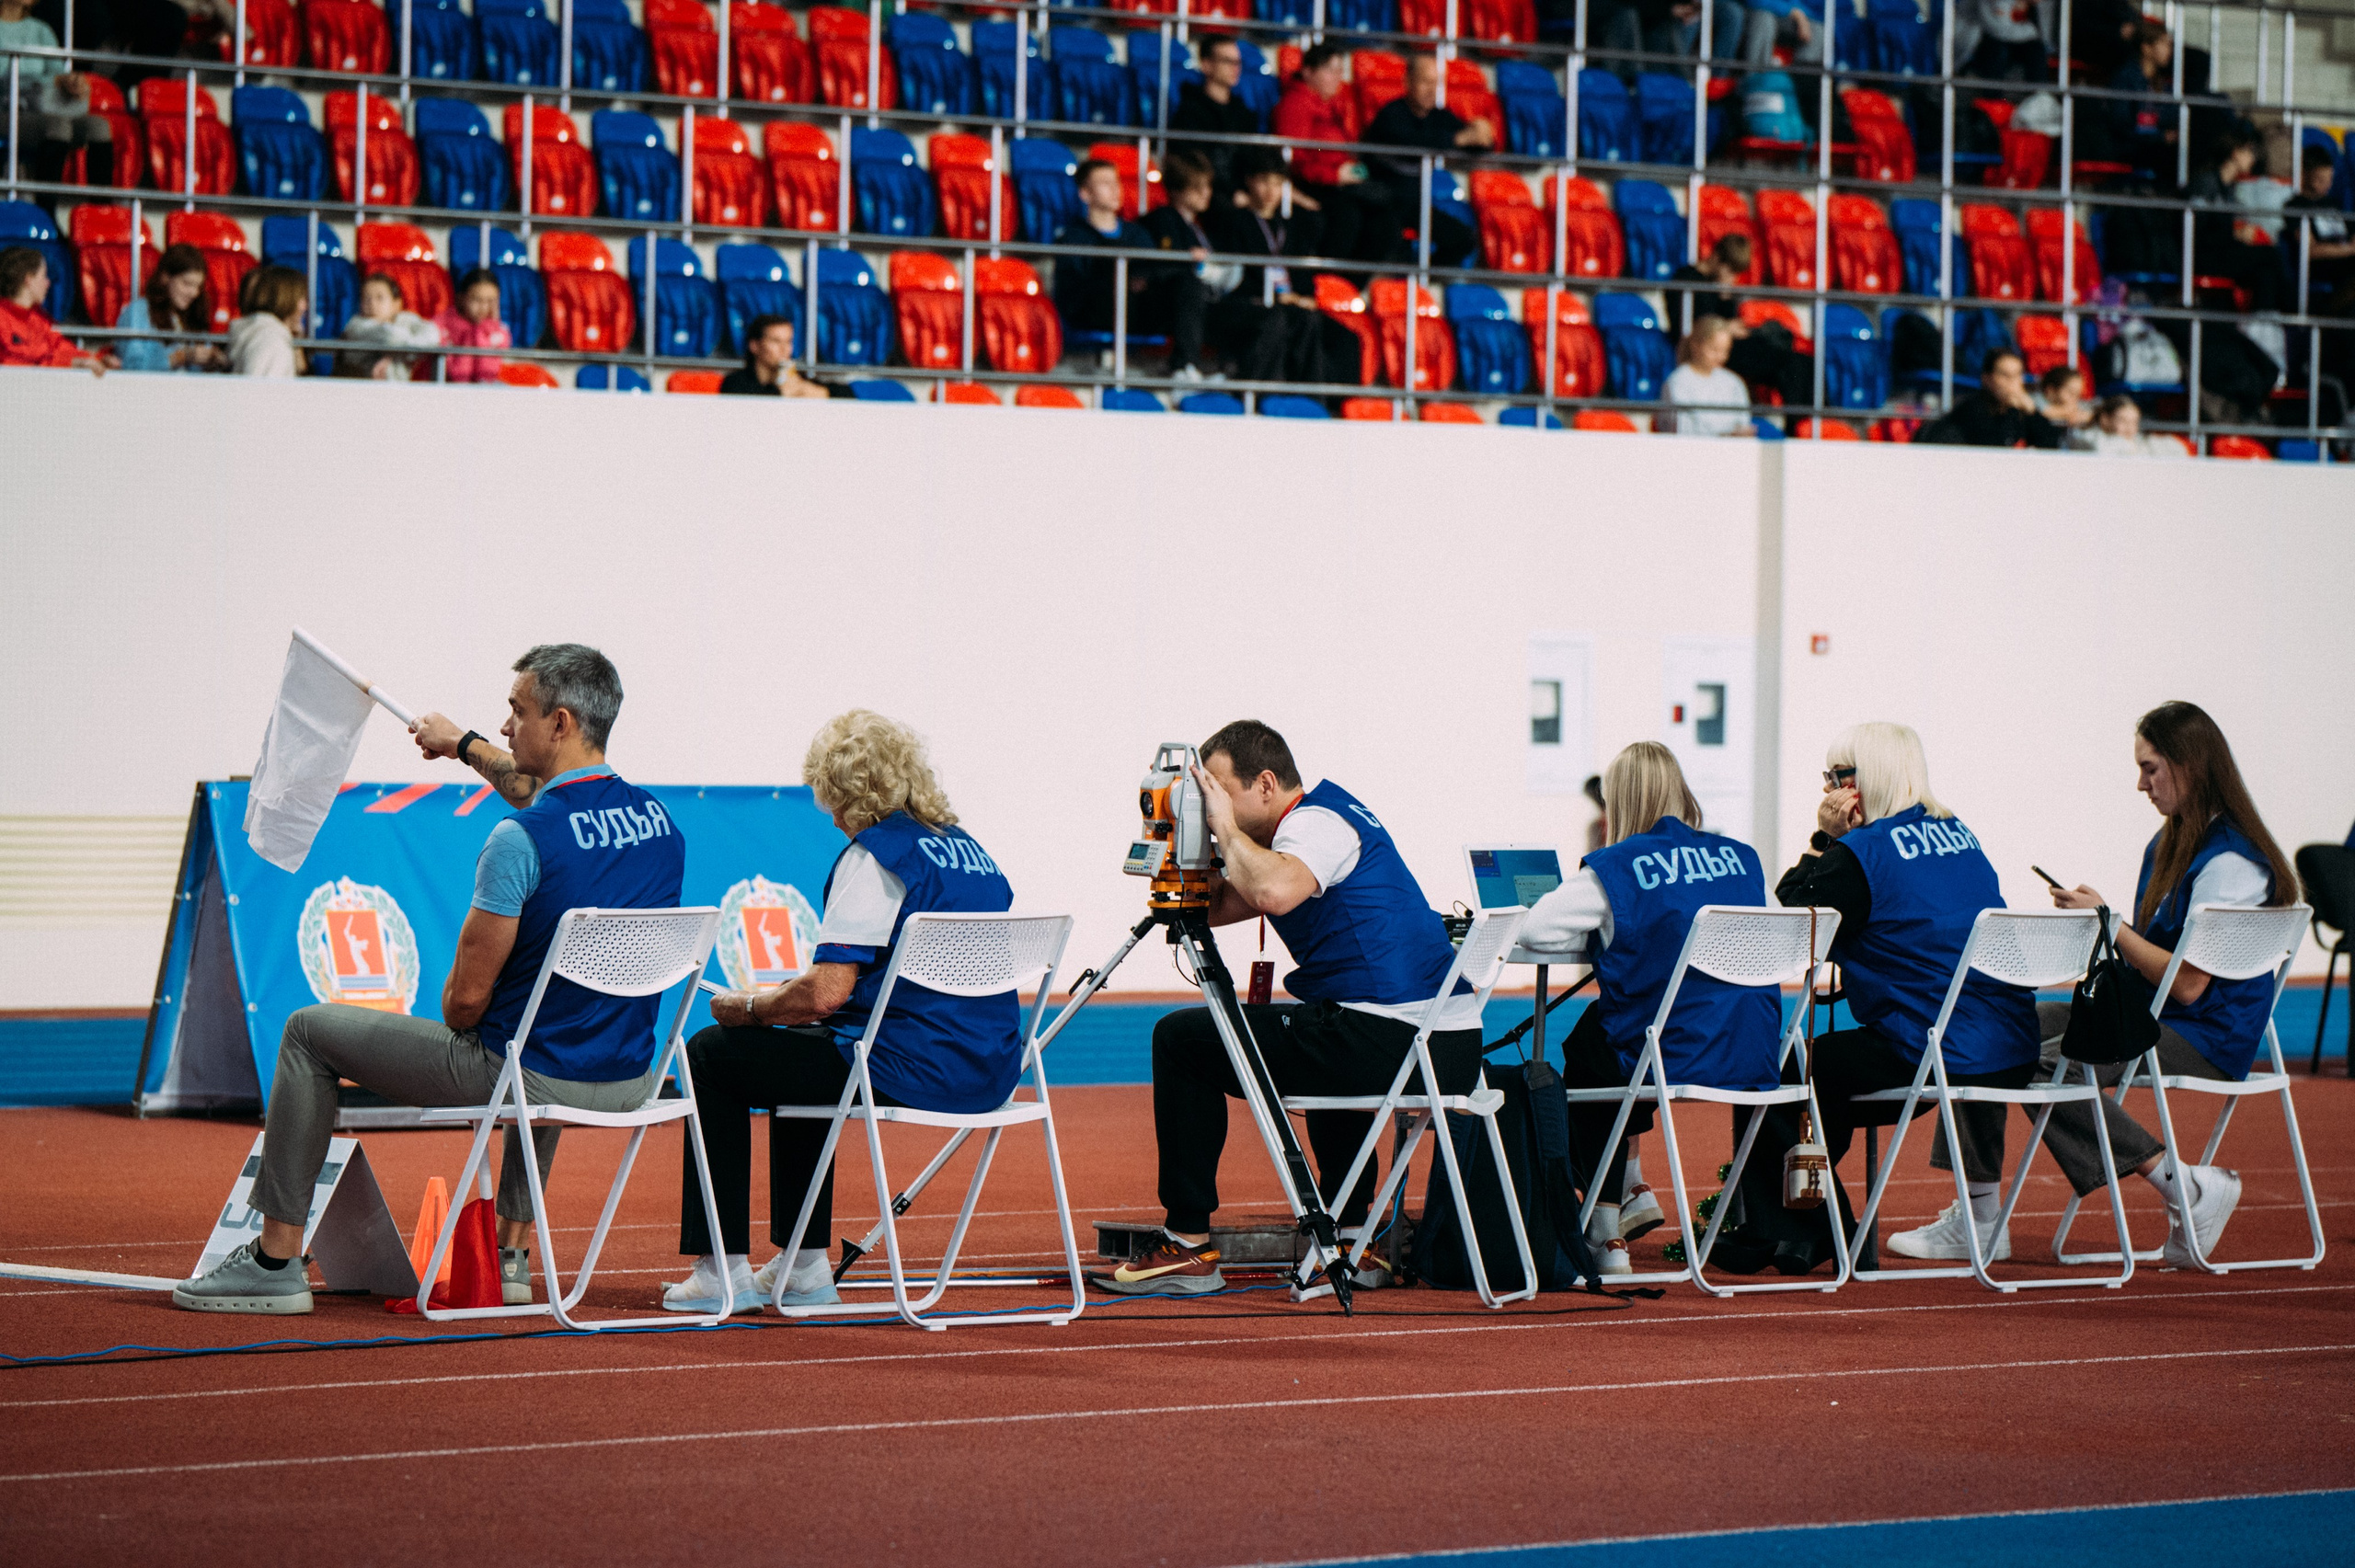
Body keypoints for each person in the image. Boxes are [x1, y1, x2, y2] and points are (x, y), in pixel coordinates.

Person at [173, 646, 684, 1313]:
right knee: (552, 1023)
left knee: (306, 1034)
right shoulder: (663, 828)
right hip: (631, 1079)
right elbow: (542, 793)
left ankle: (274, 1260)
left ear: (559, 723)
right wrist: (461, 744)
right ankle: (510, 1258)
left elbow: (463, 1006)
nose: (505, 726)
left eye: (517, 711)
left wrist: (471, 995)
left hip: (524, 1073)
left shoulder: (518, 841)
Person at [1097, 721, 1481, 1297]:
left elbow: (1271, 893)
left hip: (1397, 1042)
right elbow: (1223, 903)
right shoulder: (1318, 823)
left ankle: (1187, 1243)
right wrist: (1182, 848)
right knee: (1322, 1021)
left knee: (1181, 1040)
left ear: (1265, 784)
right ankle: (1352, 1238)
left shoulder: (1313, 825)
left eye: (1219, 791)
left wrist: (1225, 828)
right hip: (1438, 1044)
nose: (1212, 804)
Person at [671, 711, 1019, 1315]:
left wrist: (750, 1007)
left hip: (909, 1067)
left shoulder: (877, 857)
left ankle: (720, 1267)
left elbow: (827, 993)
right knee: (805, 1044)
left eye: (834, 801)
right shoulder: (972, 852)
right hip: (992, 1070)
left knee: (711, 1054)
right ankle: (803, 1265)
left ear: (855, 794)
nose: (831, 818)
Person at [1729, 723, 2041, 1275]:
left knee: (1779, 1073)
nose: (1827, 788)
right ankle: (1798, 1231)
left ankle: (1811, 1228)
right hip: (2009, 1042)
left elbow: (1798, 916)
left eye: (1837, 777)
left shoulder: (1863, 852)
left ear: (1865, 779)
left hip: (1932, 1048)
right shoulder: (1959, 834)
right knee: (1823, 1078)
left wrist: (1823, 839)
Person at [2035, 702, 2299, 1267]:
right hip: (2157, 1016)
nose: (2141, 784)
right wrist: (2103, 929)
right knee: (2003, 1029)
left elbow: (2187, 985)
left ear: (2190, 764)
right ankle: (1978, 1210)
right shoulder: (2169, 843)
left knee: (2050, 1065)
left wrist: (2110, 924)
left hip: (2207, 1035)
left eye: (2149, 768)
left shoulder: (2232, 862)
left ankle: (2183, 1185)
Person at [1517, 742, 1780, 1276]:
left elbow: (1534, 930)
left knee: (1596, 1046)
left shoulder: (1616, 866)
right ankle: (1632, 1186)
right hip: (1751, 1050)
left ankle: (1605, 1228)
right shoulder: (1742, 858)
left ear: (1620, 800)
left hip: (1670, 1053)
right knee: (1603, 1034)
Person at [1208, 147, 1342, 385]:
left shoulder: (1290, 226)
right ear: (1249, 181)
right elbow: (1232, 276)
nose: (1271, 191)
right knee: (1276, 319)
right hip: (1249, 304)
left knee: (1319, 324)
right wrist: (1272, 296)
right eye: (1264, 182)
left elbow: (1301, 271)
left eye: (1278, 183)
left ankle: (1312, 396)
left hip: (1287, 303)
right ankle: (1260, 392)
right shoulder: (1234, 223)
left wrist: (1304, 296)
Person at [1361, 56, 1491, 266]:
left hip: (1414, 205)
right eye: (1425, 82)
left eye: (1435, 83)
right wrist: (1458, 139)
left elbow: (1474, 141)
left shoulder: (1438, 116)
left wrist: (1482, 132)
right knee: (1386, 236)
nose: (1431, 90)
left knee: (1463, 238)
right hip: (1383, 202)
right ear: (1408, 82)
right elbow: (1414, 144)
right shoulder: (1390, 114)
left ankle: (1425, 277)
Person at [1271, 43, 1392, 265]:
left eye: (1340, 71)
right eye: (1330, 70)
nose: (1338, 77)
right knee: (1349, 216)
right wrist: (1334, 174)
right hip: (1314, 184)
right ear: (1308, 72)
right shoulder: (1295, 105)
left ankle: (1350, 280)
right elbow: (1296, 157)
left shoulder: (1334, 104)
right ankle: (1329, 276)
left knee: (1387, 215)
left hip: (1339, 182)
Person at [1669, 235, 1814, 409]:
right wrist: (1725, 328)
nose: (1733, 277)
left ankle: (1813, 420)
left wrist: (1725, 296)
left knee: (1803, 362)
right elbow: (1685, 326)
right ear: (1716, 257)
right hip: (1711, 347)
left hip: (1729, 343)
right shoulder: (1686, 279)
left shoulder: (1719, 285)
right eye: (1730, 270)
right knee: (1791, 364)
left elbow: (1728, 317)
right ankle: (1801, 420)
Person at [1138, 150, 1233, 381]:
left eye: (1207, 186)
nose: (1206, 193)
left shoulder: (1201, 227)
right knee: (1190, 285)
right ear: (1177, 190)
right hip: (1166, 305)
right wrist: (1189, 261)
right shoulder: (1162, 219)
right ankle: (1184, 366)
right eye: (1197, 187)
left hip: (1204, 303)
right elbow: (1161, 270)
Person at [1, 0, 112, 183]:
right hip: (6, 109)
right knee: (58, 126)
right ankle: (46, 199)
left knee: (99, 126)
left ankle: (102, 201)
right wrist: (50, 81)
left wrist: (72, 83)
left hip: (41, 108)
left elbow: (58, 74)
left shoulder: (41, 30)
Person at [1051, 157, 1154, 348]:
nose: (1115, 189)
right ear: (1085, 194)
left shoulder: (1137, 234)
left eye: (1116, 182)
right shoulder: (1073, 238)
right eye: (1105, 183)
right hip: (1092, 313)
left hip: (1138, 312)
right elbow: (1072, 290)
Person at [2188, 123, 2284, 315]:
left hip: (2221, 252)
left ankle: (2264, 320)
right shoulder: (2205, 184)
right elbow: (2196, 233)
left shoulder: (2230, 187)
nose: (2253, 158)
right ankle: (2294, 314)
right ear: (2235, 153)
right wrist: (2235, 234)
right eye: (2249, 152)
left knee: (2264, 272)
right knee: (2269, 254)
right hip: (2202, 257)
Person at [1913, 349, 2065, 448]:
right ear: (1987, 378)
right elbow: (1993, 448)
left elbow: (2050, 444)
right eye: (2005, 375)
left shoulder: (2020, 411)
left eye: (2017, 375)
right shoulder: (1972, 409)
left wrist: (2032, 412)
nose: (2012, 382)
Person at [1169, 33, 1259, 196]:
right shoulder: (1189, 113)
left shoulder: (1244, 113)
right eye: (1227, 61)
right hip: (1206, 196)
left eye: (1238, 62)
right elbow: (1190, 167)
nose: (1235, 68)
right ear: (1206, 65)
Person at [114, 244, 223, 372]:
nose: (194, 293)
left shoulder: (194, 315)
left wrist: (213, 360)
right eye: (186, 283)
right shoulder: (138, 311)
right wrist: (180, 357)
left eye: (198, 286)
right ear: (165, 277)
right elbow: (132, 367)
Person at [0, 246, 110, 372]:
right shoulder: (3, 318)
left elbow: (62, 348)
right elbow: (12, 362)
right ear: (29, 279)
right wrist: (67, 363)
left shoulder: (40, 320)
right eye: (44, 276)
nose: (48, 283)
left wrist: (99, 359)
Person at [1660, 315, 1756, 436]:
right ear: (1695, 345)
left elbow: (1743, 421)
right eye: (1714, 350)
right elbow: (1682, 429)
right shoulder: (1678, 382)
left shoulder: (1734, 382)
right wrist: (1724, 436)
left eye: (1725, 351)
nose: (1721, 357)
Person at [2108, 19, 2179, 177]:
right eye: (2164, 44)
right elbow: (2122, 124)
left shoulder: (2164, 84)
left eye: (2170, 45)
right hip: (2131, 147)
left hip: (2156, 146)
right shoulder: (2125, 78)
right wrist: (2160, 137)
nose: (2169, 50)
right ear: (2146, 48)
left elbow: (2172, 117)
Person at [338, 271, 441, 381]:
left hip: (402, 388)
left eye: (380, 297)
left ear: (397, 303)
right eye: (366, 298)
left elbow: (432, 336)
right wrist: (407, 352)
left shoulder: (406, 320)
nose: (372, 303)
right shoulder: (356, 326)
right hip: (362, 387)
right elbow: (389, 337)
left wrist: (392, 355)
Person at [2285, 155, 2355, 315]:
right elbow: (2310, 250)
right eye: (2321, 179)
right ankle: (2326, 315)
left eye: (2330, 178)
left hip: (2346, 261)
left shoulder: (2334, 204)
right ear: (2307, 176)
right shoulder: (2296, 206)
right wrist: (2350, 250)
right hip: (2321, 265)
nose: (2328, 184)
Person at [719, 313, 829, 396]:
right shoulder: (735, 383)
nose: (784, 349)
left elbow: (837, 391)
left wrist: (819, 392)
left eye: (788, 341)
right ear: (754, 346)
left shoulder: (798, 381)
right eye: (776, 341)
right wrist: (784, 392)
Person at [226, 264, 307, 376]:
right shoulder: (272, 342)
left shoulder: (263, 334)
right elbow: (262, 386)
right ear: (285, 298)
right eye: (301, 299)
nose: (305, 306)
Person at [434, 268, 511, 383]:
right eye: (477, 300)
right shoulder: (440, 326)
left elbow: (488, 373)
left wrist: (483, 329)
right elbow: (454, 372)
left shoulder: (500, 332)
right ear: (461, 298)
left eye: (490, 301)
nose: (484, 307)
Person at [2081, 392, 2183, 456]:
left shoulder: (2144, 443)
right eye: (2122, 421)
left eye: (2134, 422)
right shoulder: (2087, 441)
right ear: (2105, 419)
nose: (2129, 428)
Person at [2037, 362, 2096, 437]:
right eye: (2070, 393)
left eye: (2078, 394)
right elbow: (2042, 412)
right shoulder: (2036, 398)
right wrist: (2068, 413)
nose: (2075, 398)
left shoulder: (2077, 405)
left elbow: (2091, 412)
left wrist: (2084, 416)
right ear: (2051, 390)